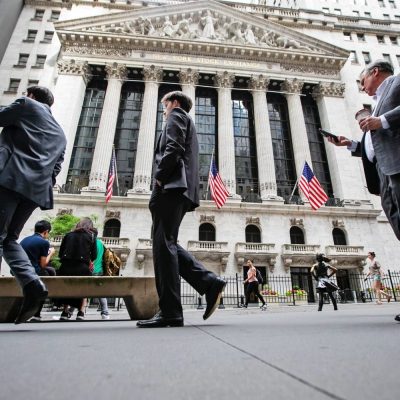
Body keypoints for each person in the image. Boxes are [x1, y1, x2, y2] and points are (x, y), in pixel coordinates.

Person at [136, 91, 226, 328]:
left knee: (163, 247)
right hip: (179, 189)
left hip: (170, 187)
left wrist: (159, 177)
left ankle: (171, 312)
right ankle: (209, 283)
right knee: (167, 244)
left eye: (164, 106)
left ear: (174, 103)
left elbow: (173, 148)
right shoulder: (187, 121)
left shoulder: (176, 115)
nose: (163, 111)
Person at [325, 60, 400, 320]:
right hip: (383, 172)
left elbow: (383, 127)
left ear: (375, 72)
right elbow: (375, 143)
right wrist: (351, 145)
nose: (361, 86)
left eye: (362, 80)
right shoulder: (377, 103)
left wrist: (382, 120)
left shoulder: (396, 84)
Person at [0, 85, 66, 324]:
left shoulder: (26, 105)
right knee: (9, 239)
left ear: (31, 96)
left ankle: (31, 283)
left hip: (9, 179)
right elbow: (56, 168)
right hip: (35, 190)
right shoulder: (61, 133)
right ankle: (32, 283)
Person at [57, 217, 97, 321]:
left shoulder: (68, 235)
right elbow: (94, 255)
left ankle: (64, 312)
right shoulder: (91, 236)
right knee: (84, 288)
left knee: (66, 288)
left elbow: (60, 253)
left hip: (66, 267)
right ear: (90, 226)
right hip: (82, 267)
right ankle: (81, 312)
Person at [20, 220, 56, 321]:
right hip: (34, 271)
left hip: (20, 271)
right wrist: (51, 253)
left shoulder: (25, 240)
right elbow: (43, 264)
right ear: (46, 231)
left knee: (51, 270)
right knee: (45, 284)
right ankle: (37, 314)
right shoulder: (44, 242)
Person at [90, 228, 110, 320]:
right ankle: (105, 313)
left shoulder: (90, 243)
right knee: (101, 293)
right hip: (100, 271)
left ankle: (69, 312)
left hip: (91, 271)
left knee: (82, 291)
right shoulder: (101, 244)